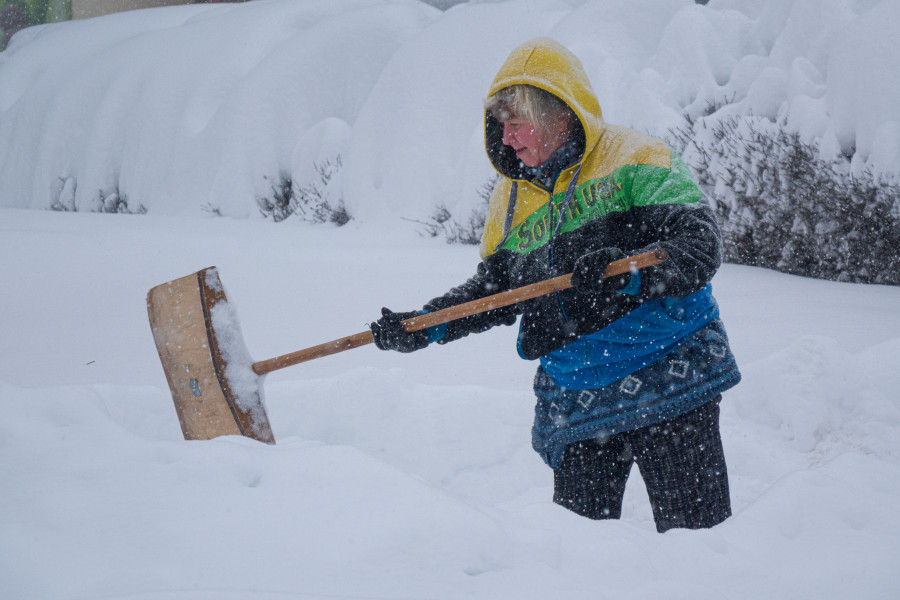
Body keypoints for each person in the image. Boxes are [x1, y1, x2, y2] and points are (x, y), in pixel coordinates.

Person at [370, 38, 741, 533]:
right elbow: (496, 292)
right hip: (576, 395)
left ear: (561, 115)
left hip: (669, 376)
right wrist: (425, 325)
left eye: (517, 123)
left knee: (699, 544)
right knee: (575, 557)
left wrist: (628, 274)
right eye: (500, 125)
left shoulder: (639, 157)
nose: (506, 139)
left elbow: (700, 245)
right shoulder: (509, 198)